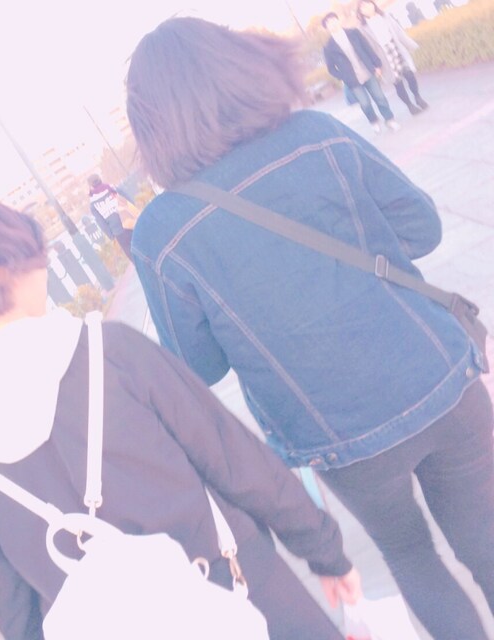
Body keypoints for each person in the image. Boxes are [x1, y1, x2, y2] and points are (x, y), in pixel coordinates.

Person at [126, 16, 493, 640]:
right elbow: (423, 228)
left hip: (336, 434)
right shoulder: (315, 135)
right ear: (239, 69)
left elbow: (198, 366)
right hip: (436, 373)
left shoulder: (162, 230)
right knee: (485, 535)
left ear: (152, 123)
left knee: (411, 557)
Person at [0, 201, 361, 640]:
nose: (44, 265)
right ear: (2, 271)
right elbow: (234, 459)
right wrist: (324, 551)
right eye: (32, 255)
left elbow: (11, 605)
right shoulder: (110, 351)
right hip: (239, 593)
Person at [322, 12, 400, 134]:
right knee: (365, 103)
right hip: (352, 79)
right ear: (326, 28)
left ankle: (389, 119)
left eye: (333, 20)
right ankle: (374, 121)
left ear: (338, 20)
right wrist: (343, 77)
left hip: (367, 71)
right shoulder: (328, 47)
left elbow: (367, 48)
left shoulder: (354, 32)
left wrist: (376, 64)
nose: (332, 24)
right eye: (328, 23)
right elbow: (331, 68)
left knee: (380, 97)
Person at [357, 0, 429, 115]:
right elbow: (366, 49)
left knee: (409, 74)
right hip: (383, 55)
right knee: (397, 82)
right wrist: (375, 65)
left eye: (368, 4)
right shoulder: (362, 28)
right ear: (360, 12)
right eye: (363, 7)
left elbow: (399, 33)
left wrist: (413, 46)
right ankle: (410, 106)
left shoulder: (385, 16)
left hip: (396, 47)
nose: (367, 8)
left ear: (373, 4)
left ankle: (417, 97)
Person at [88, 173, 133, 260]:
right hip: (130, 222)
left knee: (130, 253)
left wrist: (111, 236)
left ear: (91, 186)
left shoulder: (93, 204)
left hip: (118, 232)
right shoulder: (112, 188)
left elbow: (101, 223)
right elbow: (128, 199)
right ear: (100, 180)